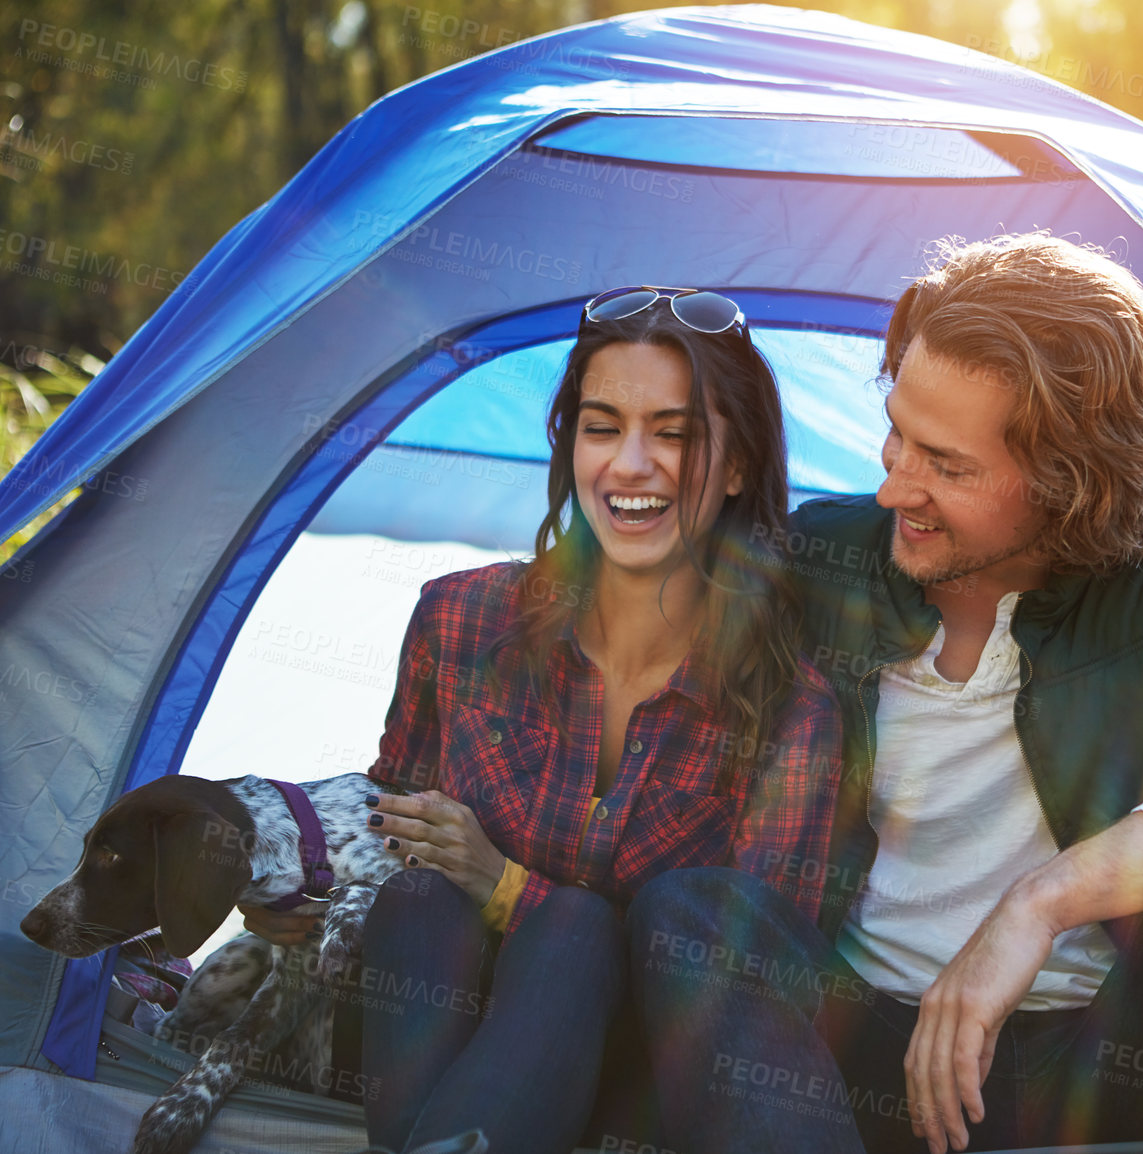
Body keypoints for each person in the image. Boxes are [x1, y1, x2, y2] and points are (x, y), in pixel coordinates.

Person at [628, 236, 1143, 1153]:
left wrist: (1041, 903)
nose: (894, 484)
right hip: (849, 1061)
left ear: (1071, 481)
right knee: (690, 914)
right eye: (897, 430)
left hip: (1111, 1059)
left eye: (948, 464)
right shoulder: (825, 556)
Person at [240, 287, 844, 1154]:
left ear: (740, 465)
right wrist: (303, 889)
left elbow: (746, 992)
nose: (631, 465)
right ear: (569, 446)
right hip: (435, 1031)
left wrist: (512, 890)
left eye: (674, 434)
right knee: (417, 899)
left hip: (642, 1083)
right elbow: (386, 826)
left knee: (578, 926)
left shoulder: (794, 712)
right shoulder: (457, 621)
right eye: (602, 428)